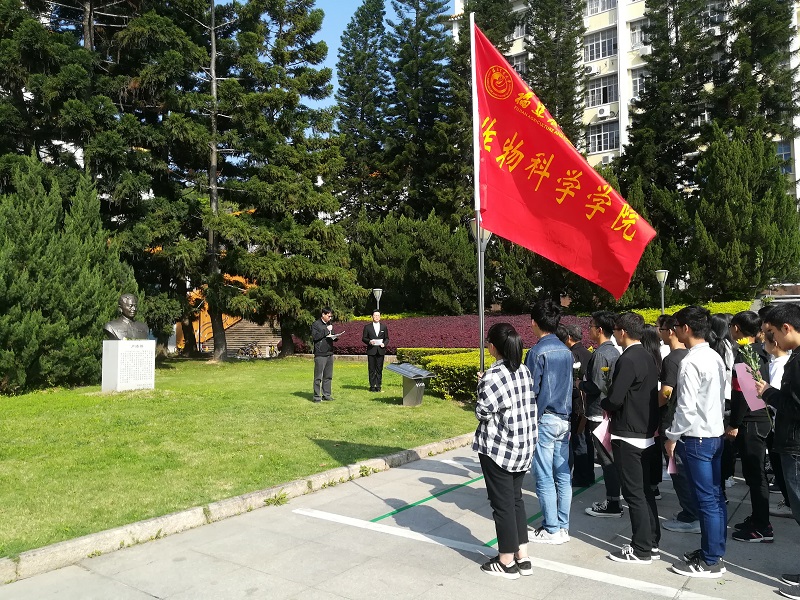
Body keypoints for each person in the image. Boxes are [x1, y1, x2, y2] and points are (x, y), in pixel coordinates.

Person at [665, 306, 728, 578]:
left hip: (697, 438)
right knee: (714, 497)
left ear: (686, 329)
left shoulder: (691, 361)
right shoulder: (714, 356)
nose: (674, 331)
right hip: (714, 434)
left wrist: (672, 436)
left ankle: (711, 560)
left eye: (676, 326)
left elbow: (686, 408)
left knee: (706, 501)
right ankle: (712, 552)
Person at [474, 323, 537, 579]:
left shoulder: (493, 375)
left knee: (502, 505)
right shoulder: (523, 370)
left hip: (499, 448)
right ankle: (523, 556)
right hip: (523, 446)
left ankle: (506, 561)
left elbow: (482, 411)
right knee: (515, 500)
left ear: (493, 346)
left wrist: (481, 385)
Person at [602, 313, 660, 564]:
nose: (614, 334)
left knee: (634, 493)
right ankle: (652, 542)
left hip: (628, 433)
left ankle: (641, 549)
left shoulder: (627, 359)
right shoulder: (647, 355)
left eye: (615, 330)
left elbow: (615, 399)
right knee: (644, 491)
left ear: (622, 331)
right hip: (646, 431)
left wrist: (604, 402)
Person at [755, 304, 800, 600]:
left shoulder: (797, 361)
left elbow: (795, 406)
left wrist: (768, 393)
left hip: (796, 447)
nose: (770, 340)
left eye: (771, 332)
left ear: (786, 328)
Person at [525, 298, 573, 544]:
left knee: (544, 475)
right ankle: (562, 526)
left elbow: (530, 390)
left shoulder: (537, 352)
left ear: (534, 322)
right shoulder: (566, 350)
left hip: (545, 419)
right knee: (562, 474)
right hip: (565, 418)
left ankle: (551, 528)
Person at [726, 310, 772, 543]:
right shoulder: (760, 351)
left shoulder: (745, 355)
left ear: (736, 328)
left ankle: (762, 527)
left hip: (752, 421)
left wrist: (734, 423)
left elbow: (742, 395)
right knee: (754, 474)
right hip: (760, 418)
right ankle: (756, 518)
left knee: (755, 475)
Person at [657, 314, 700, 534]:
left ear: (671, 331)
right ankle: (691, 512)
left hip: (673, 422)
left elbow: (666, 393)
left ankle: (690, 515)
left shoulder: (672, 359)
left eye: (661, 329)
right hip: (690, 425)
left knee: (678, 472)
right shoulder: (689, 355)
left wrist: (652, 405)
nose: (660, 334)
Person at [579, 310, 624, 518]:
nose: (588, 330)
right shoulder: (615, 351)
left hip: (599, 412)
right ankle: (616, 496)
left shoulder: (600, 354)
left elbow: (596, 386)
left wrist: (579, 383)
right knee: (611, 456)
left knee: (606, 458)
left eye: (590, 326)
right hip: (610, 410)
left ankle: (613, 502)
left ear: (599, 330)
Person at [562, 324, 594, 487]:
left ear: (569, 337)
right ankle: (589, 473)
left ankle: (582, 476)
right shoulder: (589, 353)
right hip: (589, 402)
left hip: (577, 403)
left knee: (579, 440)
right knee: (587, 439)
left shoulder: (572, 355)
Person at [311, 307, 336, 402]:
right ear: (323, 314)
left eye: (331, 316)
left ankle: (327, 395)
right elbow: (315, 337)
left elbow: (331, 334)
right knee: (318, 377)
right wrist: (326, 330)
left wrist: (335, 337)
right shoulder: (316, 324)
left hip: (329, 352)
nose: (330, 318)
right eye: (328, 316)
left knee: (328, 376)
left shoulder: (329, 324)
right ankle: (317, 396)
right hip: (320, 353)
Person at [362, 311, 389, 392]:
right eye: (375, 315)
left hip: (380, 350)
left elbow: (387, 338)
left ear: (380, 317)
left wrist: (384, 344)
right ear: (372, 317)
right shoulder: (367, 327)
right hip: (371, 350)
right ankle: (372, 386)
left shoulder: (384, 327)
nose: (377, 317)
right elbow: (364, 338)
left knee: (379, 369)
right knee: (371, 369)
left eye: (378, 315)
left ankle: (378, 386)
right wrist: (369, 341)